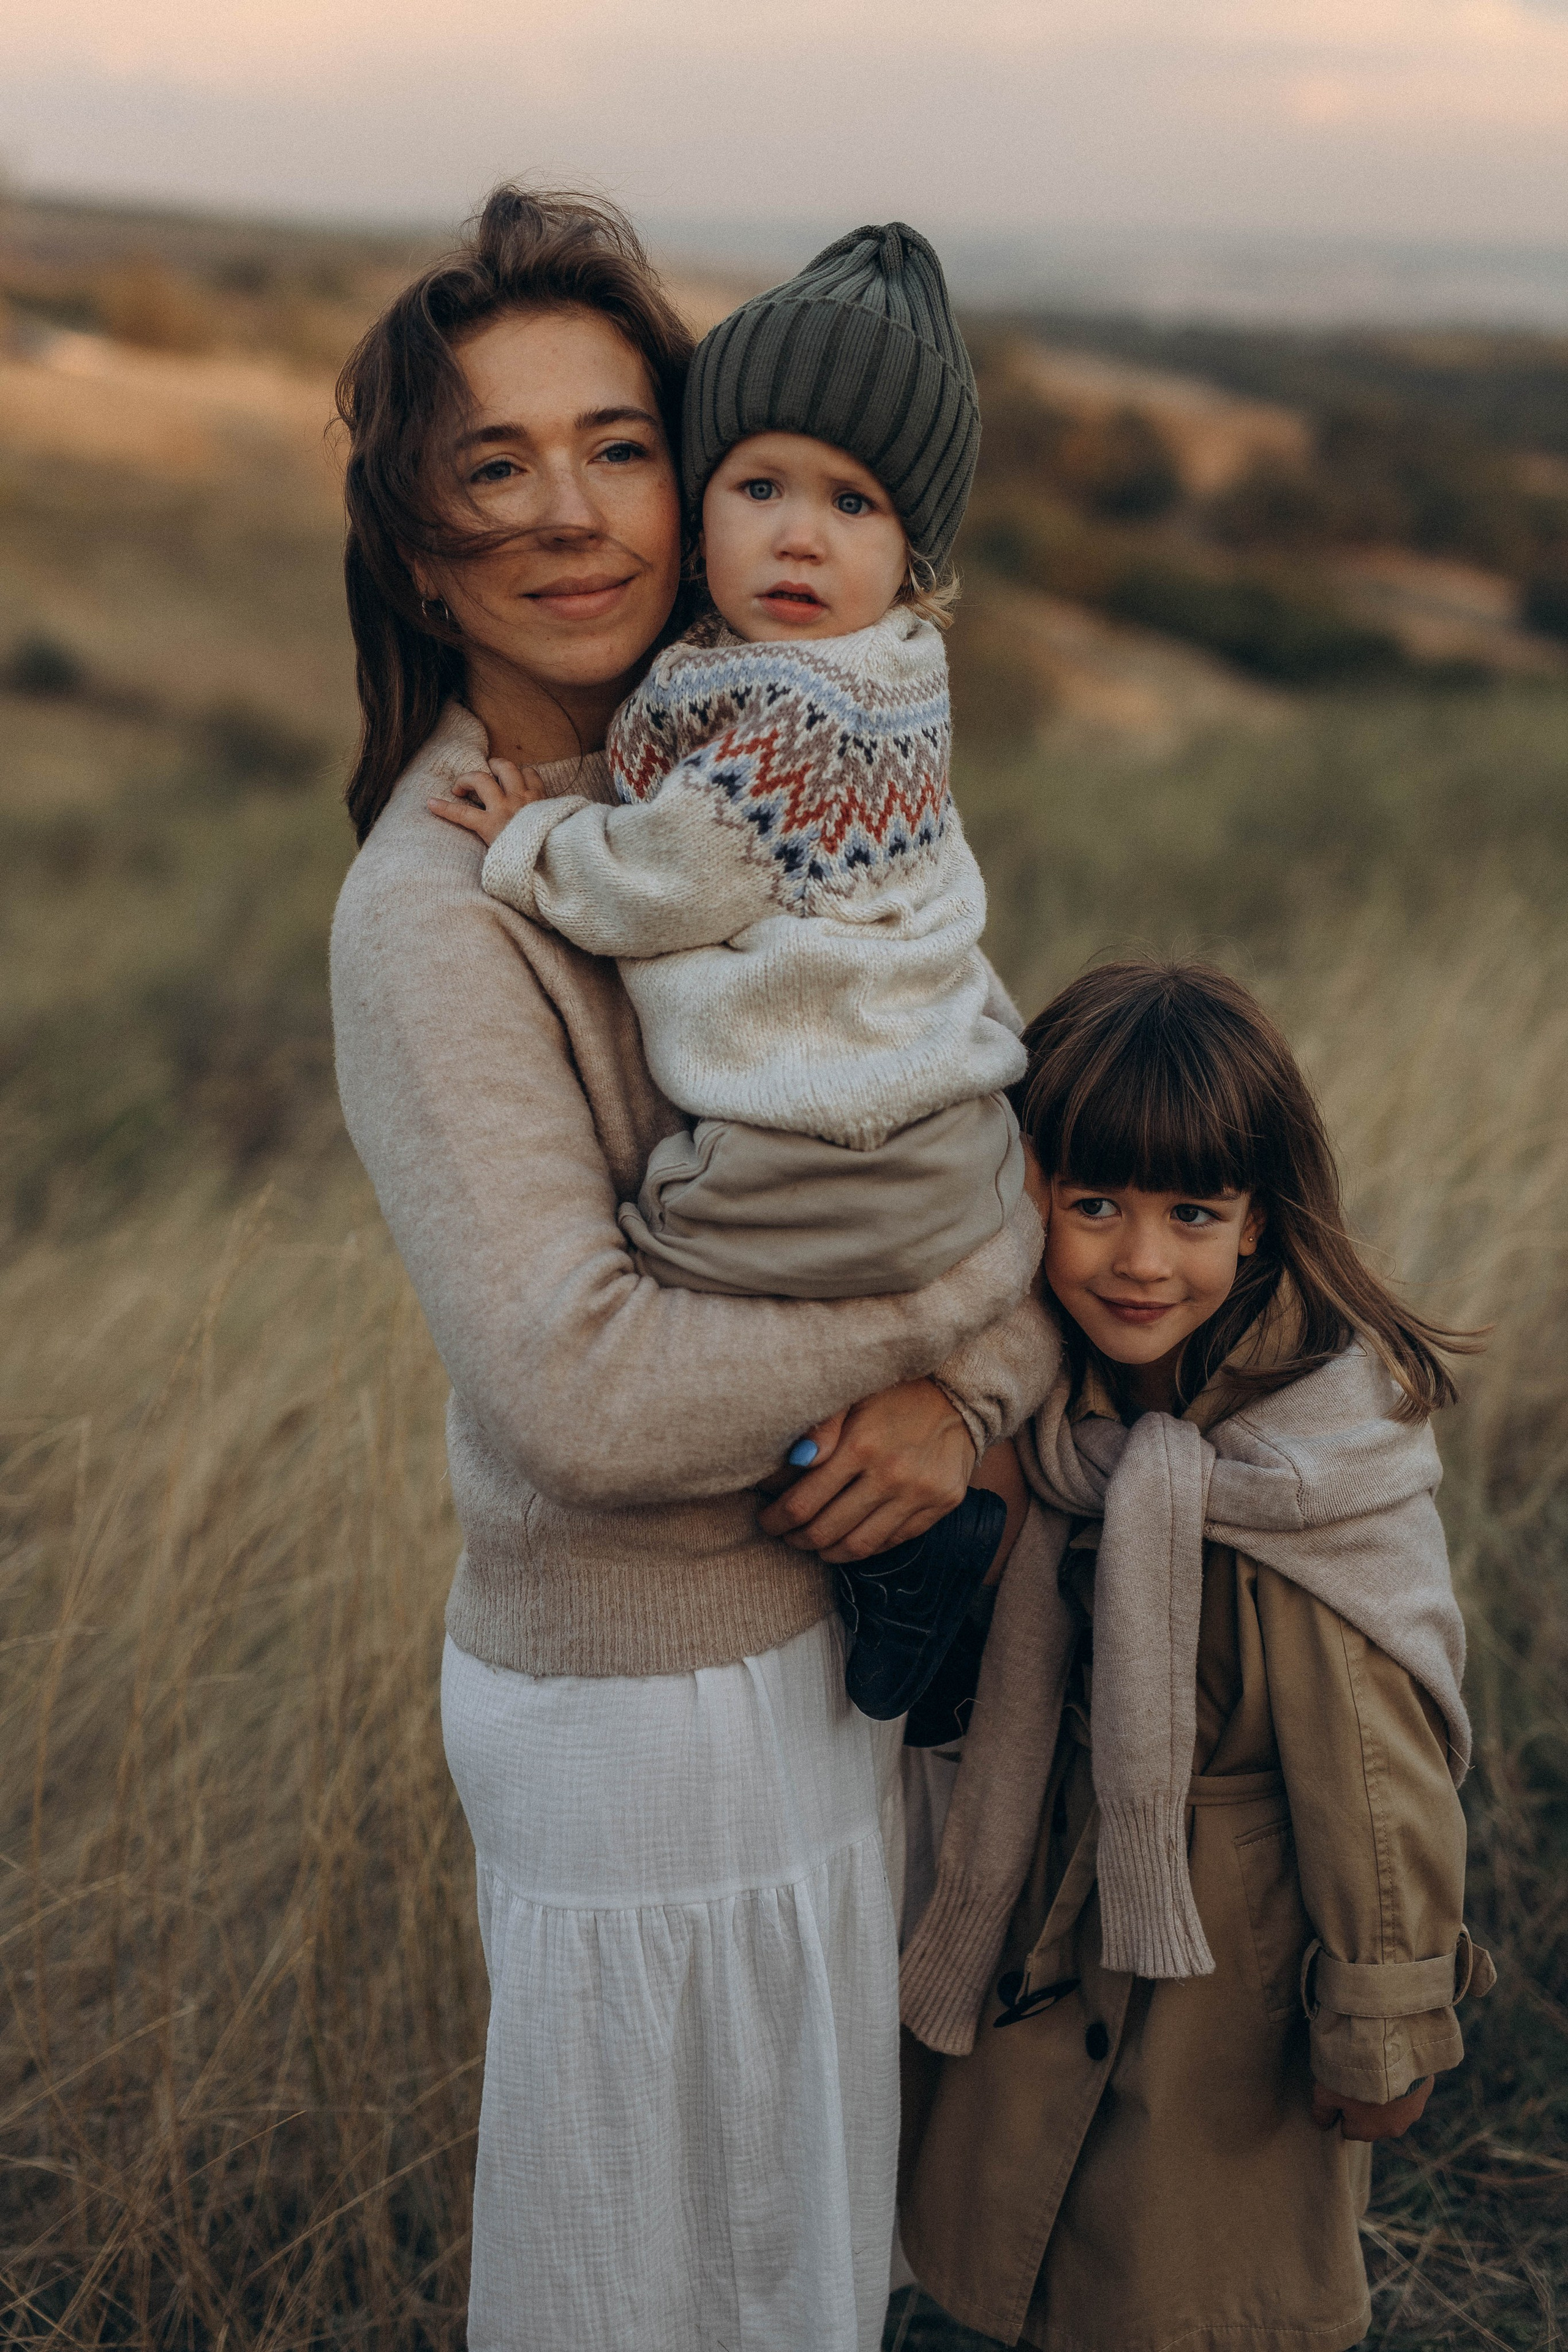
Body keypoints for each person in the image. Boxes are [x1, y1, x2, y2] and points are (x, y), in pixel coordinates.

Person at [328, 183, 1052, 2352]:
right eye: (494, 464)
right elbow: (581, 1388)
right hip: (635, 1715)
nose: (572, 514)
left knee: (795, 2261)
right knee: (650, 2280)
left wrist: (963, 1410)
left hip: (820, 1676)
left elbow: (963, 1154)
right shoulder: (440, 909)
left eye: (619, 443)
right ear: (418, 540)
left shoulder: (784, 777)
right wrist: (958, 1325)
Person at [429, 222, 1027, 1722]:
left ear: (914, 556)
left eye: (852, 503)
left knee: (681, 1260)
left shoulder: (794, 709)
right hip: (943, 1131)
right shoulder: (871, 683)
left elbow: (669, 874)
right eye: (758, 488)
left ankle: (908, 1558)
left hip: (829, 1147)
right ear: (704, 514)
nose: (800, 537)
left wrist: (532, 843)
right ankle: (923, 1571)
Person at [895, 961, 1496, 2352]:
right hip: (1043, 1936)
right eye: (1091, 1204)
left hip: (1223, 2008)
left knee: (1186, 2307)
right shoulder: (1044, 1407)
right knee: (1028, 2288)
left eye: (1190, 1214)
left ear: (1257, 1225)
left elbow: (1374, 1777)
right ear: (1025, 1195)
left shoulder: (1303, 1467)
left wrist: (1383, 2022)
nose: (1137, 1259)